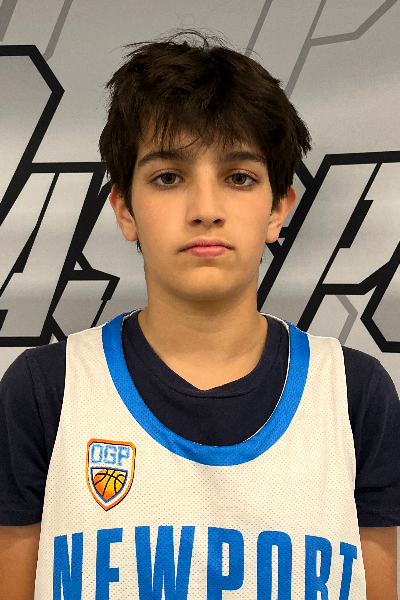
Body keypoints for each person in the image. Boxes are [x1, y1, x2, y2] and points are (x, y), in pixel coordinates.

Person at [0, 29, 399, 600]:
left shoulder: (353, 395)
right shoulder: (45, 392)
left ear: (278, 209)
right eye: (168, 177)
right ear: (125, 209)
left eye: (239, 178)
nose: (206, 209)